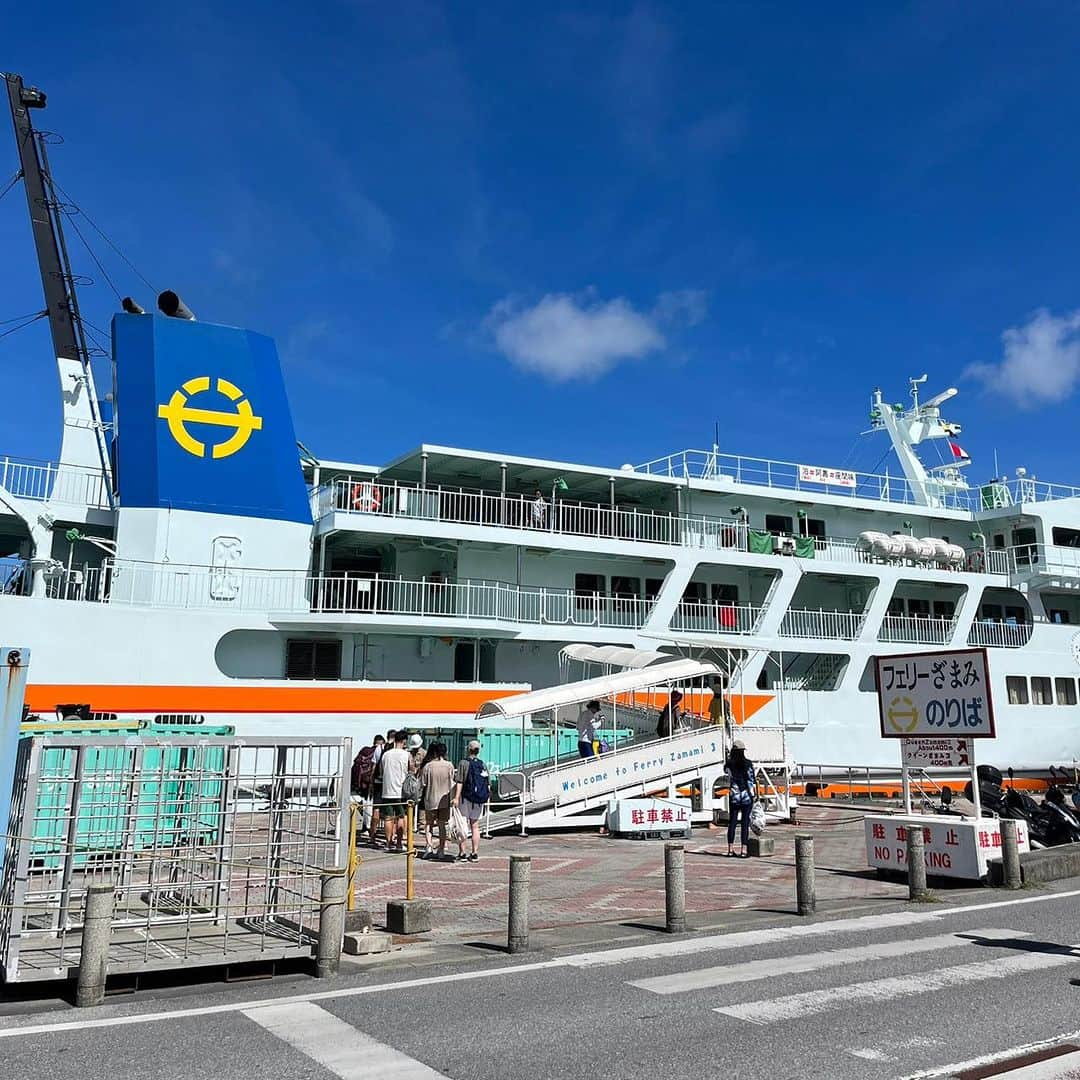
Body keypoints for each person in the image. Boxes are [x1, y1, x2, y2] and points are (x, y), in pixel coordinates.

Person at [453, 739, 490, 862]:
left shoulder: (463, 763)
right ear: (478, 751)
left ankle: (462, 852)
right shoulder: (482, 764)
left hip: (465, 798)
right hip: (478, 799)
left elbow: (460, 781)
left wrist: (456, 797)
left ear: (468, 749)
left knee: (462, 825)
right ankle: (474, 853)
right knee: (475, 826)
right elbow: (487, 783)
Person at [420, 742, 456, 861]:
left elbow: (423, 783)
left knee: (429, 824)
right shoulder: (449, 765)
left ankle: (429, 846)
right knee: (442, 825)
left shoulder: (428, 766)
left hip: (430, 799)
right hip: (444, 801)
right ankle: (441, 849)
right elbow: (452, 781)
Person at [379, 730, 412, 854]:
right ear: (404, 741)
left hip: (387, 790)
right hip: (401, 791)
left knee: (388, 818)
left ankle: (388, 843)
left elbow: (381, 772)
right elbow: (412, 770)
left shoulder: (386, 755)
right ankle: (399, 843)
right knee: (400, 817)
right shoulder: (406, 755)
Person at [725, 739, 755, 857]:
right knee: (744, 823)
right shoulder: (748, 763)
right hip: (746, 797)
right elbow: (751, 779)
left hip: (734, 796)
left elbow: (727, 774)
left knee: (732, 823)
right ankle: (743, 850)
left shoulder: (729, 764)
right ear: (743, 751)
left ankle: (730, 850)